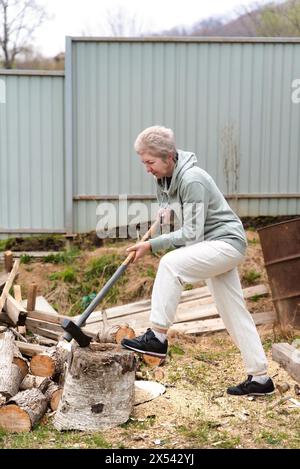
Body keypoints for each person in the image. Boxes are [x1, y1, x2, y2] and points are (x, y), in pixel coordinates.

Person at [121, 125, 275, 396]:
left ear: (168, 157)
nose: (147, 168)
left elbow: (191, 234)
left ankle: (156, 336)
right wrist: (164, 216)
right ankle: (261, 378)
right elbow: (171, 216)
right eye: (143, 163)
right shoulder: (165, 180)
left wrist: (151, 245)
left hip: (225, 243)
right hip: (211, 245)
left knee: (170, 264)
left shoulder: (192, 179)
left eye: (150, 162)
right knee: (232, 311)